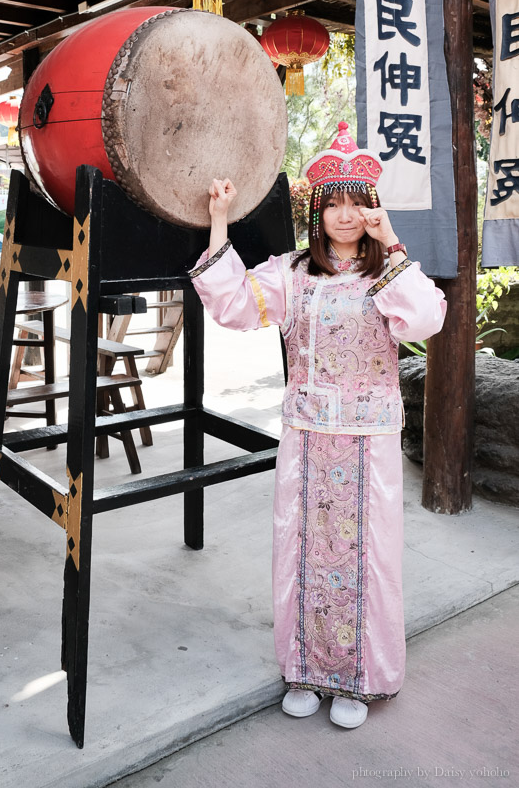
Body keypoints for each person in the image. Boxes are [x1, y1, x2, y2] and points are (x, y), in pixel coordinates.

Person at [188, 121, 446, 730]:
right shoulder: (293, 273)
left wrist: (395, 241)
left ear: (373, 210)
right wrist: (220, 220)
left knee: (367, 558)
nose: (347, 215)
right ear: (317, 211)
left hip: (367, 439)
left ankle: (358, 678)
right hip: (307, 435)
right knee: (302, 551)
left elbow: (426, 319)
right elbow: (232, 304)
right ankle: (305, 670)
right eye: (335, 204)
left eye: (359, 204)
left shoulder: (388, 272)